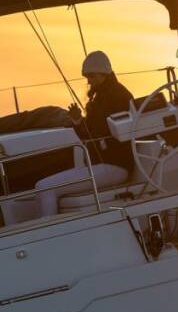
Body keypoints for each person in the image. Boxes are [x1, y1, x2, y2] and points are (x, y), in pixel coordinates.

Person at [35, 51, 133, 217]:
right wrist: (78, 121)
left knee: (45, 188)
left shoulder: (118, 96)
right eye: (87, 77)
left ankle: (52, 231)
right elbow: (91, 134)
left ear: (104, 74)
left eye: (92, 76)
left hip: (116, 165)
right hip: (103, 164)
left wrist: (84, 121)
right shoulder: (100, 97)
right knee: (42, 187)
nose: (88, 81)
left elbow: (105, 130)